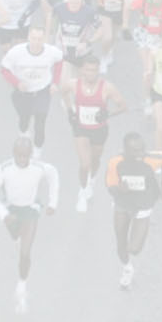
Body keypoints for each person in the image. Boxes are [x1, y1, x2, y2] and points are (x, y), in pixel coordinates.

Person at [0, 134, 60, 314]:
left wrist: (53, 202)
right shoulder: (4, 168)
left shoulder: (39, 167)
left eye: (26, 155)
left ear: (31, 154)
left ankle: (22, 284)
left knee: (25, 253)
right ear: (13, 153)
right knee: (15, 236)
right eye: (19, 155)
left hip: (30, 210)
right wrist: (3, 214)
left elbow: (54, 175)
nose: (22, 159)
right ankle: (17, 239)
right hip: (11, 211)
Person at [62, 54, 127, 213]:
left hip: (99, 129)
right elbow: (63, 93)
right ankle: (82, 192)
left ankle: (92, 180)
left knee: (95, 159)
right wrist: (70, 111)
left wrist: (108, 114)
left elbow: (123, 105)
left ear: (98, 71)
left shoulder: (107, 87)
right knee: (85, 164)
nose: (91, 73)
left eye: (94, 70)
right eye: (88, 70)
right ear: (82, 70)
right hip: (81, 128)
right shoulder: (73, 84)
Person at [105, 131, 162, 289]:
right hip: (123, 203)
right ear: (125, 151)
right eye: (135, 150)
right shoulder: (115, 162)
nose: (140, 153)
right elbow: (109, 186)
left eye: (142, 149)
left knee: (134, 249)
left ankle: (133, 248)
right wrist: (119, 189)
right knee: (120, 242)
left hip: (143, 206)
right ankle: (127, 268)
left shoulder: (150, 159)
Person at [0, 26, 64, 148]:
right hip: (23, 93)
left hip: (42, 91)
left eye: (40, 39)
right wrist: (16, 83)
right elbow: (4, 69)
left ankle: (38, 150)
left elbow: (60, 61)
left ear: (44, 39)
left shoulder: (51, 52)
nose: (36, 42)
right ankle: (23, 132)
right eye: (34, 38)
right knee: (24, 119)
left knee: (40, 123)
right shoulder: (16, 52)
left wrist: (55, 82)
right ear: (28, 37)